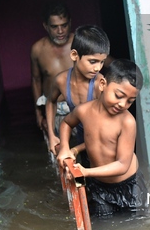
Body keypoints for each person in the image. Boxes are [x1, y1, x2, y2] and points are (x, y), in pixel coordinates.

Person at [57, 59, 147, 217]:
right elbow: (66, 123)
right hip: (99, 185)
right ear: (103, 84)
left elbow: (122, 165)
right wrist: (66, 148)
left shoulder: (127, 122)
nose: (122, 104)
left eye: (130, 101)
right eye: (119, 95)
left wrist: (86, 172)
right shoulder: (84, 111)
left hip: (129, 186)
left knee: (137, 227)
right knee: (103, 227)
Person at [45, 25, 110, 155]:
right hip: (83, 140)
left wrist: (74, 150)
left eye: (102, 62)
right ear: (75, 55)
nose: (98, 68)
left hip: (104, 147)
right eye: (93, 61)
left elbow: (107, 131)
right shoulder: (61, 81)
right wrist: (52, 135)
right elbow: (50, 101)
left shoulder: (99, 84)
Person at [30, 2, 74, 131]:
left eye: (64, 25)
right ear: (46, 26)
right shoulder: (37, 49)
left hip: (81, 107)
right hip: (53, 110)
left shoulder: (80, 43)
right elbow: (36, 80)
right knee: (56, 149)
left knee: (88, 149)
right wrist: (39, 114)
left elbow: (105, 62)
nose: (60, 31)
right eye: (54, 27)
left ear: (70, 23)